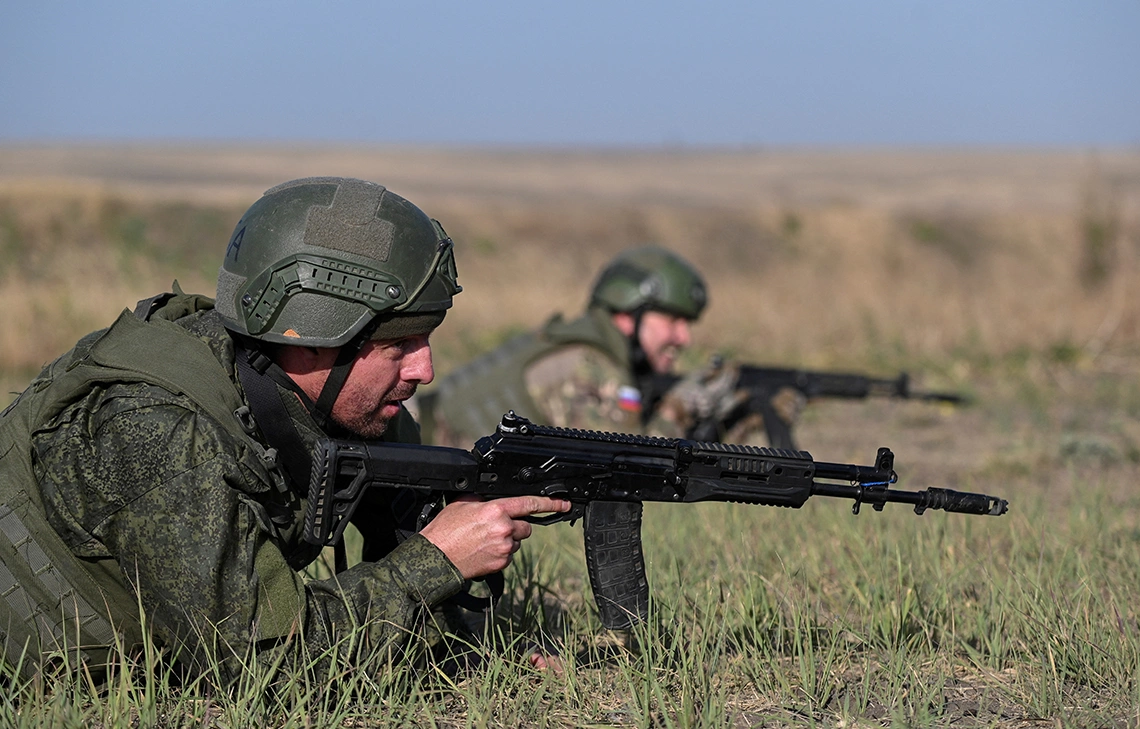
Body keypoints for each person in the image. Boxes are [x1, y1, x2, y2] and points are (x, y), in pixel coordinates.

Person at [0, 176, 567, 678]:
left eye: (427, 338)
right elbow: (260, 663)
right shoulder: (160, 433)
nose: (425, 370)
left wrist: (468, 653)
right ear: (311, 338)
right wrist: (436, 559)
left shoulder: (346, 410)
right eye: (398, 345)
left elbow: (397, 584)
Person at [418, 245, 715, 446]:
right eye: (673, 321)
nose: (684, 338)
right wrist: (677, 410)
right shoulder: (592, 366)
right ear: (627, 315)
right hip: (421, 450)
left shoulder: (575, 342)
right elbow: (634, 465)